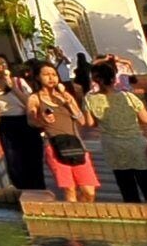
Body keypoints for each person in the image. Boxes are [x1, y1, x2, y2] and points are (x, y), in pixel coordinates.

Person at [30, 62, 99, 203]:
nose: (51, 78)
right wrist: (42, 119)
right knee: (69, 189)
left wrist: (70, 104)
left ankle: (84, 212)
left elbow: (81, 121)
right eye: (46, 74)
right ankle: (75, 219)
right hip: (55, 146)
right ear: (37, 77)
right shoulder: (35, 98)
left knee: (89, 191)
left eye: (54, 74)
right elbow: (31, 120)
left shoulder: (65, 95)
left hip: (75, 144)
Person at [0, 53, 46, 194]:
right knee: (14, 160)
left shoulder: (18, 82)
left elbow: (30, 103)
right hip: (7, 124)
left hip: (26, 122)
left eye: (3, 63)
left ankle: (39, 192)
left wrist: (12, 86)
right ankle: (22, 191)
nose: (0, 67)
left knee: (33, 159)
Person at [95, 61, 147, 202]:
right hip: (136, 144)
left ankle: (136, 215)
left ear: (95, 80)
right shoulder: (129, 96)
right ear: (114, 79)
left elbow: (88, 122)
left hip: (113, 148)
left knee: (127, 187)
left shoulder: (90, 99)